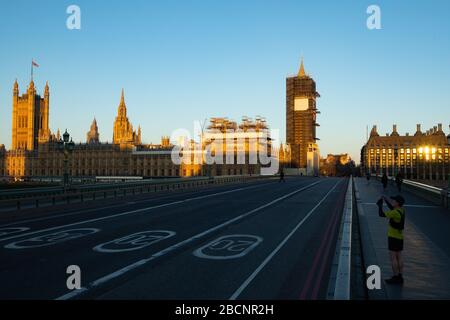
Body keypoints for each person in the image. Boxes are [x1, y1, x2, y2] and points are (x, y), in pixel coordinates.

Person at [376, 195, 406, 284]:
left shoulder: (394, 213)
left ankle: (395, 277)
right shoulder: (401, 211)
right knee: (399, 257)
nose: (392, 201)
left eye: (394, 200)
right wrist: (386, 200)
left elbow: (381, 214)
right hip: (400, 237)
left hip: (393, 237)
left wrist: (380, 205)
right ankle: (400, 276)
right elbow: (392, 208)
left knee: (393, 258)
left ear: (397, 203)